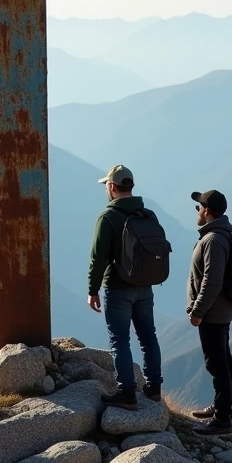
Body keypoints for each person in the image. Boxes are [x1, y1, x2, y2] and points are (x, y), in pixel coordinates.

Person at [87, 164, 163, 409]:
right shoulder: (147, 214)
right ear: (130, 186)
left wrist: (92, 289)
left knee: (120, 341)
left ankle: (127, 392)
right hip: (145, 286)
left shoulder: (108, 217)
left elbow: (98, 257)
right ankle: (153, 387)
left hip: (118, 288)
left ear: (111, 187)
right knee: (148, 336)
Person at [187, 189, 232, 437]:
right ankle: (229, 408)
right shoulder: (220, 235)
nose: (197, 211)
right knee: (224, 358)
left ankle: (222, 421)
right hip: (220, 310)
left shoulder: (213, 240)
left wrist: (198, 310)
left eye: (199, 207)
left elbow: (212, 281)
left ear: (207, 211)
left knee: (216, 364)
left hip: (212, 312)